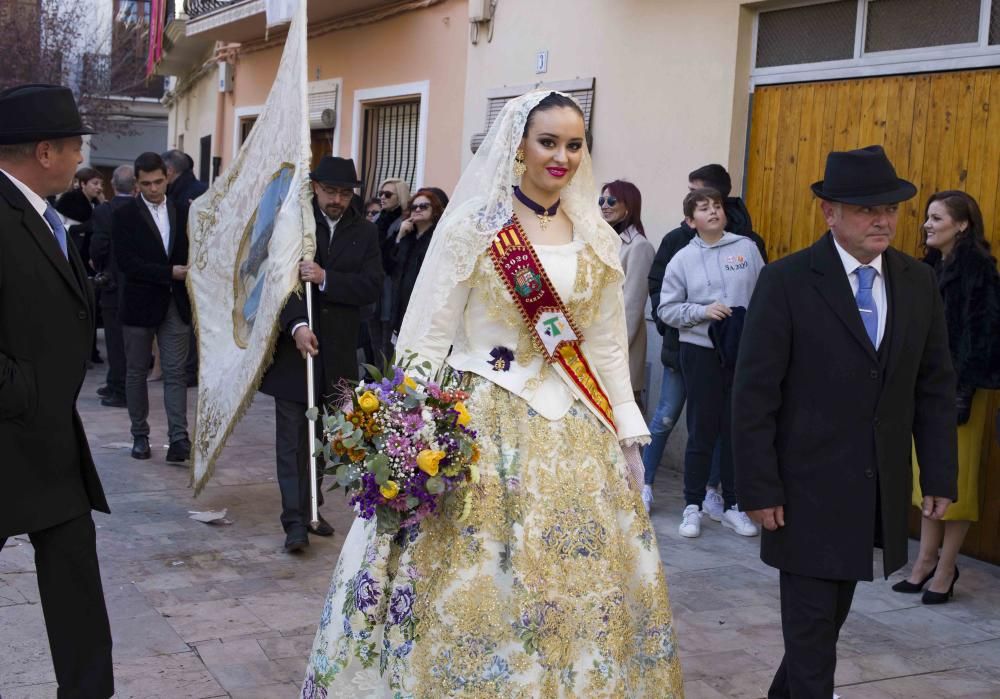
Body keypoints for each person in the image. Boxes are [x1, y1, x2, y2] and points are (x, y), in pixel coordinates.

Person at [300, 91, 683, 698]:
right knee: (474, 582)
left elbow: (606, 345)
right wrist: (410, 428)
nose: (562, 156)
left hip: (578, 428)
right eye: (549, 142)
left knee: (583, 583)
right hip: (481, 422)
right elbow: (427, 335)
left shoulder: (598, 237)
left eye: (574, 144)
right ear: (518, 146)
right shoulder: (477, 226)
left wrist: (630, 434)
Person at [733, 145, 958, 698]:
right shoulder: (787, 281)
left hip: (871, 492)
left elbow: (933, 386)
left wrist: (939, 475)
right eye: (865, 209)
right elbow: (754, 394)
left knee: (824, 627)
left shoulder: (916, 282)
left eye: (891, 208)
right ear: (829, 213)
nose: (882, 219)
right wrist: (758, 487)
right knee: (813, 639)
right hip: (801, 493)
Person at [0, 83, 114, 698]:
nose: (79, 159)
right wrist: (28, 392)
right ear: (45, 151)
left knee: (75, 582)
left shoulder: (49, 215)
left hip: (50, 443)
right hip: (8, 433)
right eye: (74, 147)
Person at [259, 156, 383, 553]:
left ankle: (314, 506)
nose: (337, 200)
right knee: (291, 441)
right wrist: (297, 326)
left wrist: (327, 278)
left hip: (339, 354)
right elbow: (276, 282)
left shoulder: (364, 232)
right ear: (315, 188)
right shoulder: (295, 226)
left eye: (345, 193)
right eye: (330, 191)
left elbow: (371, 287)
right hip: (296, 354)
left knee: (326, 440)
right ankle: (293, 522)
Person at [891, 191, 1000, 604]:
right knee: (927, 481)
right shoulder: (926, 268)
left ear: (963, 224)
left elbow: (985, 341)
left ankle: (947, 567)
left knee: (956, 485)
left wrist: (963, 393)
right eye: (927, 218)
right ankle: (924, 562)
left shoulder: (980, 272)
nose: (927, 225)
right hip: (926, 392)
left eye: (937, 218)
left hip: (960, 396)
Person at [643, 162, 767, 514]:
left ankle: (731, 503)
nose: (712, 211)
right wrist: (701, 312)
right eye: (702, 206)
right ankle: (685, 501)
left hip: (740, 353)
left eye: (716, 206)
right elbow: (665, 308)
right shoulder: (681, 255)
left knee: (733, 428)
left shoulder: (748, 248)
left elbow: (765, 297)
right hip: (695, 351)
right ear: (690, 220)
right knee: (687, 422)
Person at [113, 152, 192, 463]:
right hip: (139, 303)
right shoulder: (123, 215)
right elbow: (126, 263)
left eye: (158, 181)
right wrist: (168, 272)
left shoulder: (182, 211)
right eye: (146, 183)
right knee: (136, 372)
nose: (153, 188)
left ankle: (178, 439)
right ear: (137, 182)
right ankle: (140, 436)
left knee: (175, 372)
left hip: (175, 302)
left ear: (167, 177)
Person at [601, 179, 654, 405]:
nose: (605, 205)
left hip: (619, 350)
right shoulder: (603, 241)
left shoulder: (639, 247)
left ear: (628, 206)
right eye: (601, 200)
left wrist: (614, 353)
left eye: (612, 200)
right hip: (597, 343)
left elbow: (632, 306)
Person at [89, 164, 136, 408]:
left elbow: (99, 245)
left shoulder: (105, 211)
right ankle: (116, 381)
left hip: (114, 283)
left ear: (113, 185)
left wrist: (98, 266)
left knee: (115, 340)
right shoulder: (141, 210)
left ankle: (120, 388)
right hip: (137, 283)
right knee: (133, 341)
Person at [162, 149, 207, 387]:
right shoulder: (198, 189)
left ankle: (189, 369)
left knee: (188, 319)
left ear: (169, 171)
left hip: (189, 266)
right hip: (189, 265)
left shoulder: (190, 195)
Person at [387, 188, 443, 337]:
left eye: (424, 206)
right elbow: (388, 266)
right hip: (400, 307)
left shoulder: (439, 237)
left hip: (426, 309)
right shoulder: (406, 236)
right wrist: (399, 236)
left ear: (434, 210)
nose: (418, 209)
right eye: (414, 207)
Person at [368, 177, 410, 361]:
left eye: (388, 194)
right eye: (380, 194)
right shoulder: (377, 220)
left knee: (388, 347)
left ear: (399, 196)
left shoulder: (406, 222)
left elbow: (395, 259)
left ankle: (388, 386)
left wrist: (399, 237)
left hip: (392, 290)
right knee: (375, 342)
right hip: (374, 288)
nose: (382, 198)